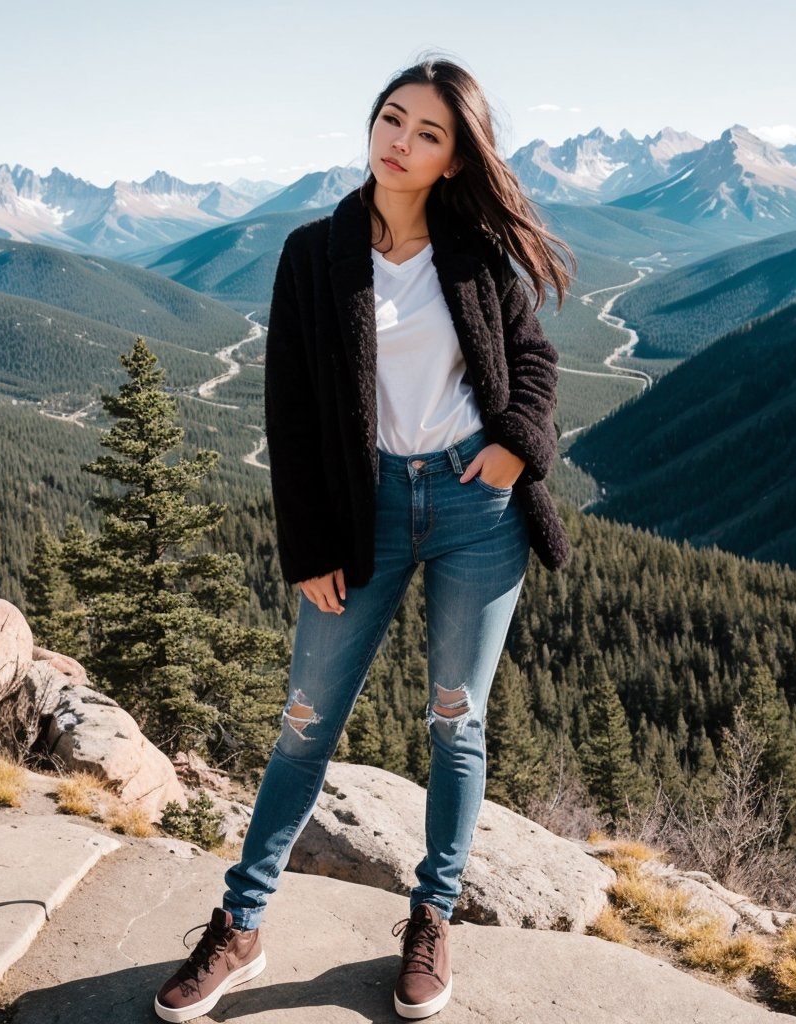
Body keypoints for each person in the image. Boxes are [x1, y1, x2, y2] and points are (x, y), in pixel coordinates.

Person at [152, 55, 574, 1022]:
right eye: (392, 118)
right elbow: (290, 410)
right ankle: (241, 924)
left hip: (477, 510)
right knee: (305, 727)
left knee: (453, 726)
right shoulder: (314, 252)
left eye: (428, 133)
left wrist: (516, 446)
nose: (400, 141)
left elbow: (536, 363)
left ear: (454, 159)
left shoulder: (475, 256)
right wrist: (308, 549)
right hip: (362, 513)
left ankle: (431, 917)